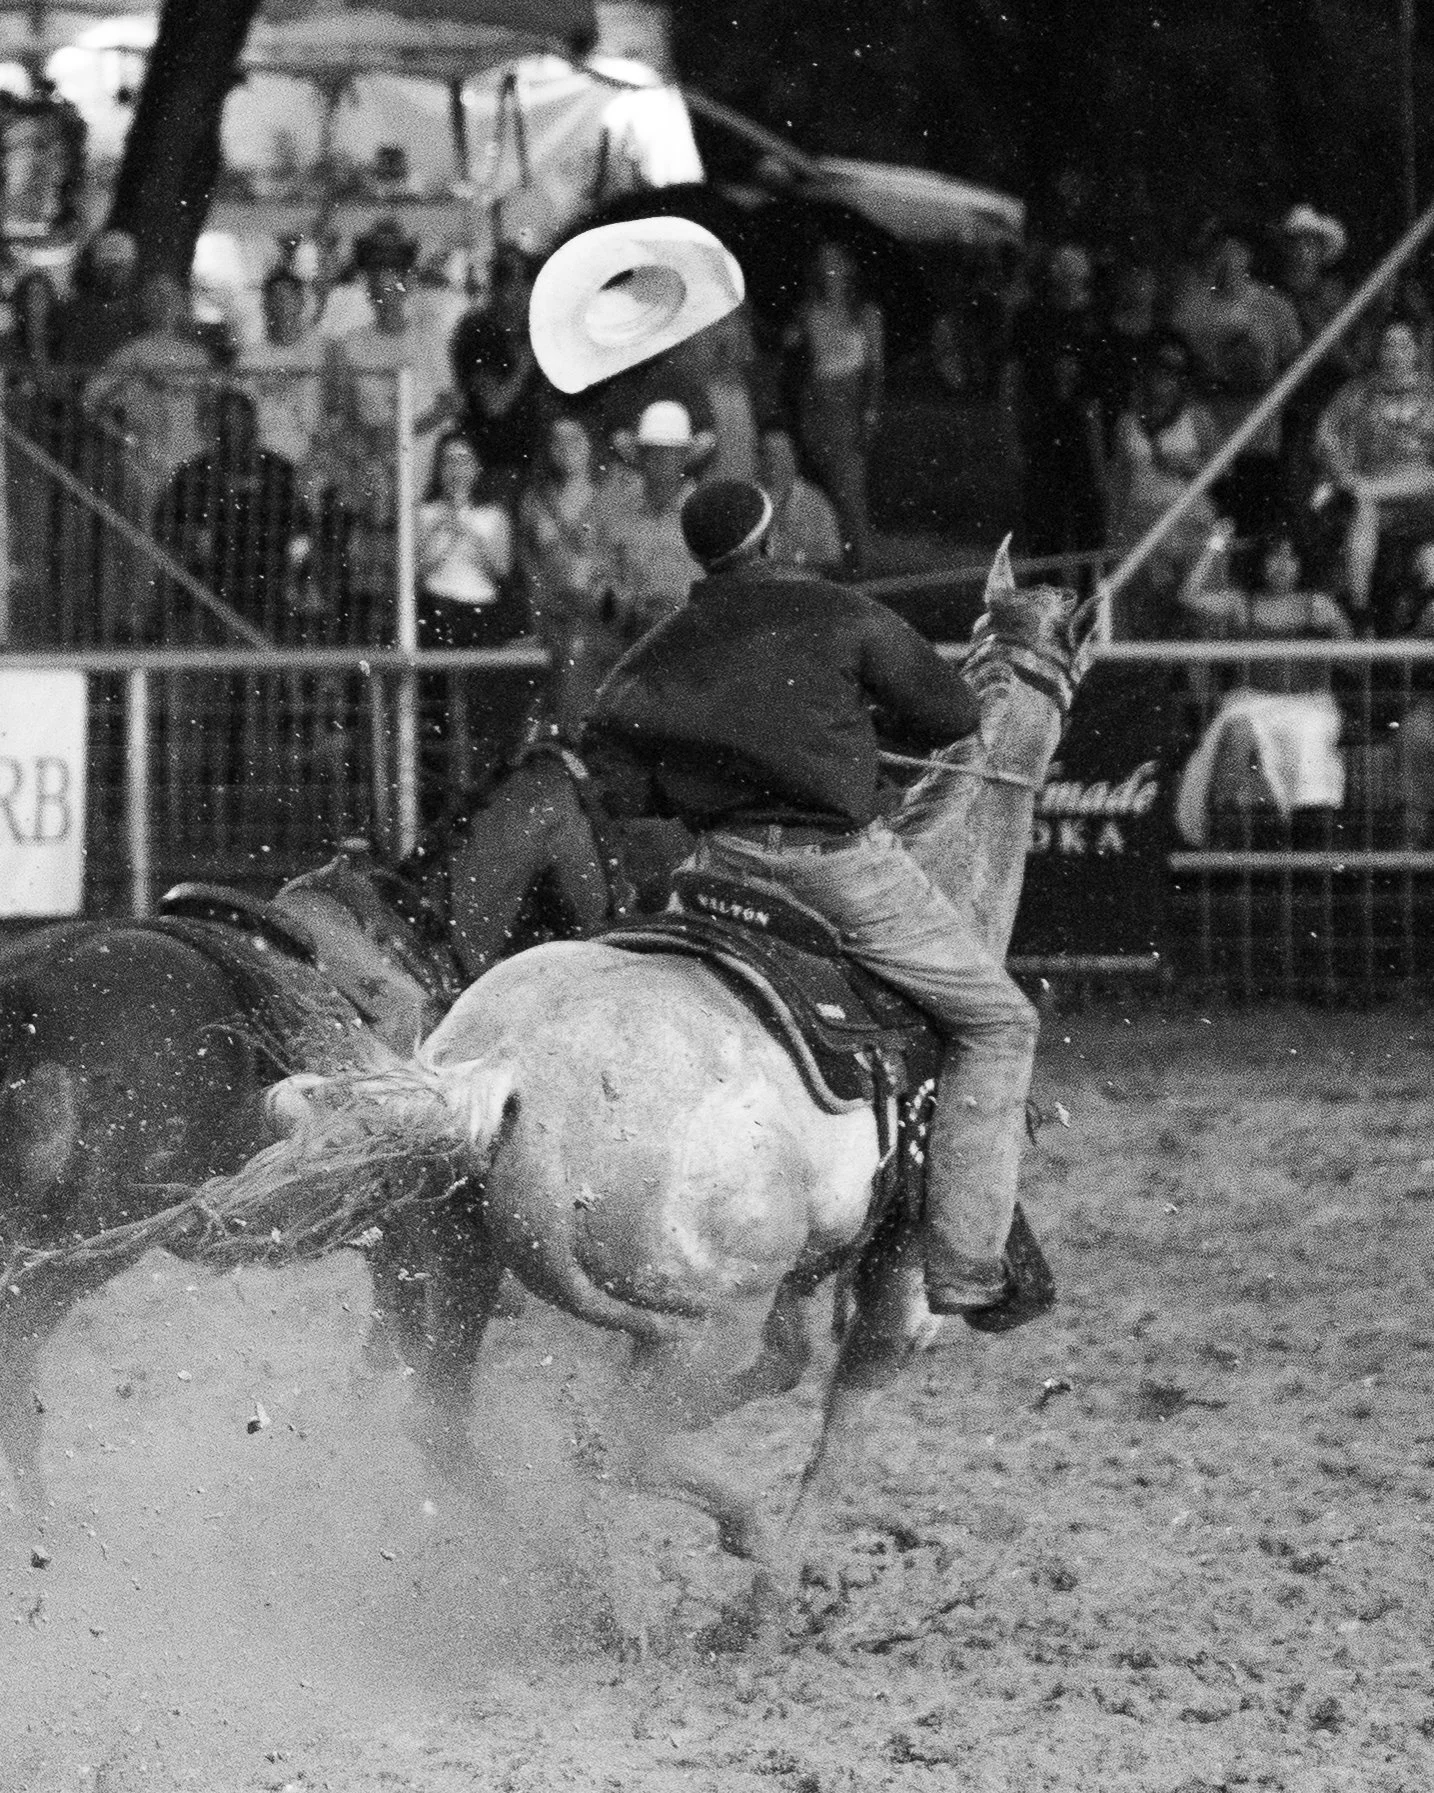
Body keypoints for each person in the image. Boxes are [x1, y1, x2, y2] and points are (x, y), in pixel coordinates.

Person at [583, 478, 1038, 1320]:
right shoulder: (839, 614)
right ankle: (969, 1263)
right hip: (839, 871)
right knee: (1001, 1022)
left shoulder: (656, 647)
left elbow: (612, 752)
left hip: (714, 872)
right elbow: (952, 714)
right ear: (772, 538)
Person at [1169, 220, 1302, 536]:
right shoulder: (1195, 307)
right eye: (1221, 252)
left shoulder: (1275, 305)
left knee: (1257, 525)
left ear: (1248, 256)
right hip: (1211, 435)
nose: (1228, 260)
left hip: (1261, 433)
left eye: (1236, 252)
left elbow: (1294, 362)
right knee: (1216, 526)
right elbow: (1181, 355)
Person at [152, 386, 314, 640]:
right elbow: (164, 525)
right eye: (227, 421)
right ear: (215, 427)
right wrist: (193, 540)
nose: (234, 430)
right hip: (208, 587)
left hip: (267, 585)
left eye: (241, 421)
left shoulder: (276, 469)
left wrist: (295, 569)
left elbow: (301, 528)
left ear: (253, 425)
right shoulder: (193, 473)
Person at [1315, 316, 1434, 633]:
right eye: (1388, 345)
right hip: (1373, 494)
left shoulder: (1431, 393)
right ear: (1378, 350)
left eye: (1403, 345)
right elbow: (1326, 437)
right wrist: (1342, 476)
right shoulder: (1358, 391)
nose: (1395, 353)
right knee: (1364, 504)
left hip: (1424, 490)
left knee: (1370, 493)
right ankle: (1359, 606)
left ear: (1416, 351)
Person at [1106, 333, 1222, 633]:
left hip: (1190, 524)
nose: (1163, 382)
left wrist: (1186, 465)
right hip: (1142, 526)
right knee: (1148, 611)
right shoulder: (1128, 422)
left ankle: (1197, 675)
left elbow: (1223, 468)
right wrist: (1114, 532)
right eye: (1157, 374)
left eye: (1170, 375)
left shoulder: (1197, 418)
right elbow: (1120, 480)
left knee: (1195, 607)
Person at [784, 238, 885, 570]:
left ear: (849, 268)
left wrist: (869, 413)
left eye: (837, 261)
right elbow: (796, 351)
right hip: (817, 399)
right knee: (821, 487)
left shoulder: (866, 312)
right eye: (825, 262)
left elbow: (875, 368)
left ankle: (863, 568)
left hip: (848, 400)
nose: (832, 269)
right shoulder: (811, 310)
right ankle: (831, 564)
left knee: (850, 492)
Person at [1004, 240, 1106, 559]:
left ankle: (1089, 603)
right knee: (1044, 531)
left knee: (1089, 530)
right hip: (1042, 431)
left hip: (1084, 434)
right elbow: (1012, 380)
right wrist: (1012, 437)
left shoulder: (1096, 321)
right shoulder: (1030, 317)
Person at [86, 271, 218, 513]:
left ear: (180, 303)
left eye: (169, 296)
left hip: (191, 459)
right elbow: (91, 402)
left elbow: (211, 408)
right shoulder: (129, 353)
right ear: (144, 304)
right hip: (143, 461)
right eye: (155, 296)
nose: (163, 303)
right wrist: (125, 438)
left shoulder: (198, 356)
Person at [517, 412, 615, 731]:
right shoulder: (534, 500)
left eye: (574, 438)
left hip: (593, 615)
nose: (565, 446)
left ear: (589, 445)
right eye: (557, 439)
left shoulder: (608, 499)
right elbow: (526, 565)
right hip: (549, 615)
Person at [588, 398, 709, 638]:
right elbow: (599, 583)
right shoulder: (617, 516)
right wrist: (623, 606)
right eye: (653, 452)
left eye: (671, 453)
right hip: (632, 641)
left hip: (694, 640)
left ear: (685, 457)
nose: (662, 460)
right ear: (641, 457)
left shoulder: (706, 514)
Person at [448, 243, 546, 498]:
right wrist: (525, 365)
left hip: (536, 468)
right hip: (492, 468)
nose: (518, 293)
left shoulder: (534, 329)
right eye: (509, 284)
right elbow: (494, 404)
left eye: (525, 283)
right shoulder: (477, 330)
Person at [415, 429, 519, 648]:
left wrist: (470, 534)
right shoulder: (423, 513)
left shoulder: (494, 514)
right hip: (436, 606)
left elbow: (501, 570)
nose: (456, 469)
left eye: (463, 461)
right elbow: (415, 572)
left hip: (481, 608)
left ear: (476, 467)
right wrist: (442, 531)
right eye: (449, 461)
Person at [237, 265, 328, 496]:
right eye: (274, 297)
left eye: (288, 297)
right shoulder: (249, 357)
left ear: (301, 302)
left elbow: (336, 408)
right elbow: (240, 415)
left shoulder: (322, 351)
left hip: (313, 460)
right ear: (264, 304)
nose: (281, 305)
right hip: (264, 462)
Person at [757, 421, 844, 575]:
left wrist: (792, 558)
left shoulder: (814, 503)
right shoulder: (749, 499)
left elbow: (832, 557)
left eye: (780, 453)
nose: (772, 461)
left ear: (792, 456)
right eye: (766, 453)